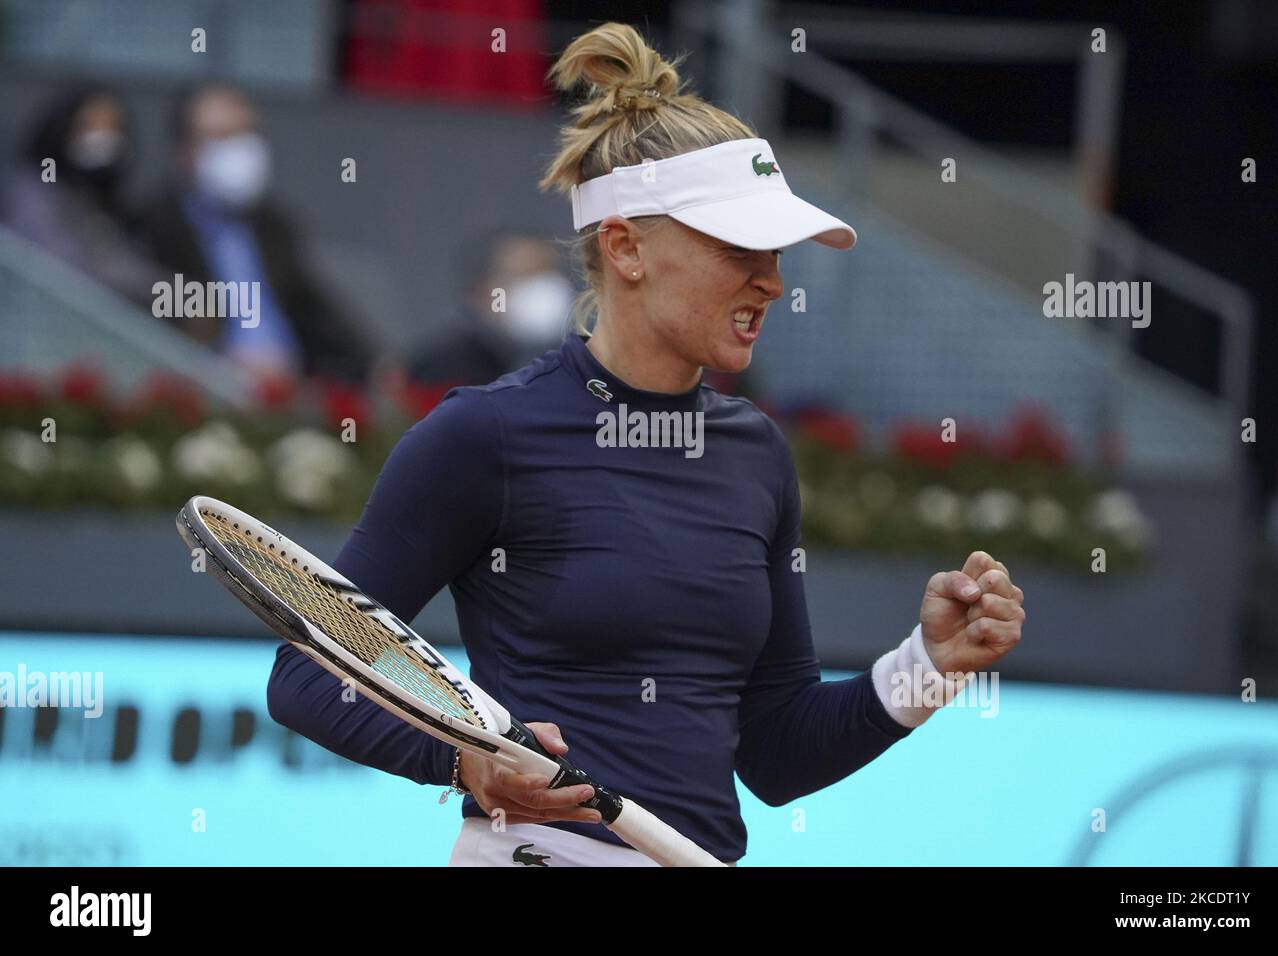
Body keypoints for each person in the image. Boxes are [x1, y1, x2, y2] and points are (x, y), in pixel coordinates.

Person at [267, 22, 1026, 866]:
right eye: (740, 248)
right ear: (626, 246)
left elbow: (775, 756)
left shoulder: (758, 454)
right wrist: (462, 760)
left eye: (773, 252)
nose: (772, 280)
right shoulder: (485, 434)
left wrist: (929, 665)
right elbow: (306, 677)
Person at [137, 84, 372, 383]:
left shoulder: (274, 224)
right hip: (202, 388)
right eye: (222, 137)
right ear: (183, 151)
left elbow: (315, 308)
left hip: (287, 391)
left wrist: (377, 363)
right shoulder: (155, 223)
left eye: (246, 135)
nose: (239, 150)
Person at [3, 85, 163, 307]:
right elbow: (64, 270)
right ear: (64, 129)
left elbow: (128, 262)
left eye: (112, 127)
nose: (102, 136)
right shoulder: (33, 192)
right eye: (89, 125)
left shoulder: (103, 201)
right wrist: (162, 289)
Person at [405, 227, 575, 388]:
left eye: (548, 274)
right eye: (522, 278)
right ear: (481, 290)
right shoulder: (440, 371)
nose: (541, 290)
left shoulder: (579, 361)